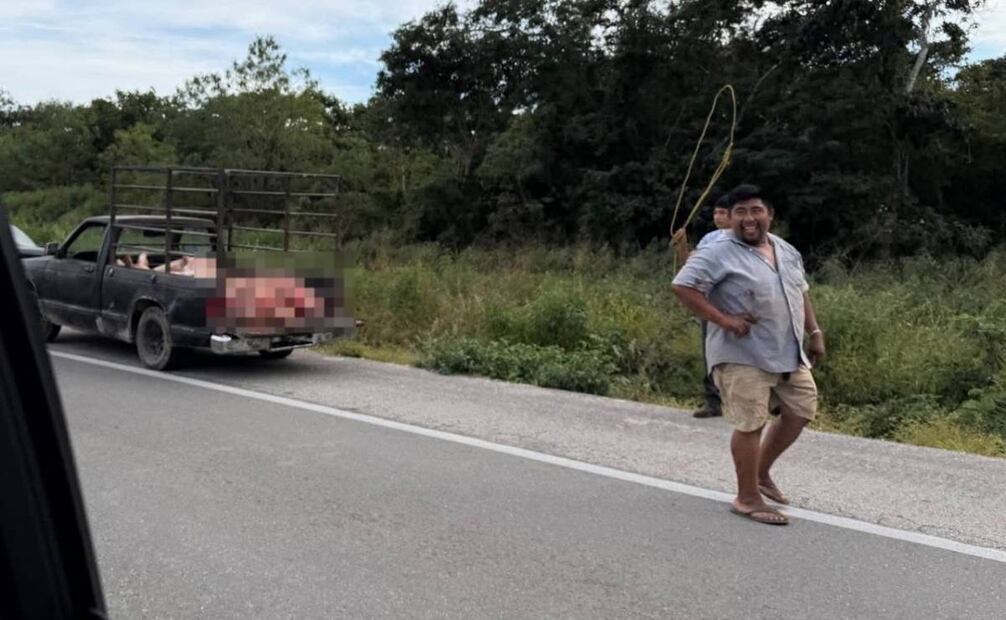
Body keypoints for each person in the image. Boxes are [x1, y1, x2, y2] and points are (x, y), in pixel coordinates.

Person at [671, 184, 826, 526]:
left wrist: (814, 333)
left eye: (756, 210)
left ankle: (760, 472)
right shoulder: (718, 250)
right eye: (740, 212)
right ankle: (747, 497)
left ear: (769, 214)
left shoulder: (785, 249)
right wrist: (724, 320)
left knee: (801, 409)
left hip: (787, 349)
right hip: (741, 353)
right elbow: (682, 286)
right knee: (751, 421)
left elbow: (800, 291)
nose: (749, 218)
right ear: (731, 219)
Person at [675, 194, 732, 418]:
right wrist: (682, 243)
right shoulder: (710, 238)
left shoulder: (742, 238)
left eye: (722, 213)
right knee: (710, 350)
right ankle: (713, 401)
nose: (717, 217)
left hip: (735, 302)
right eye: (716, 212)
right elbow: (690, 263)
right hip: (711, 302)